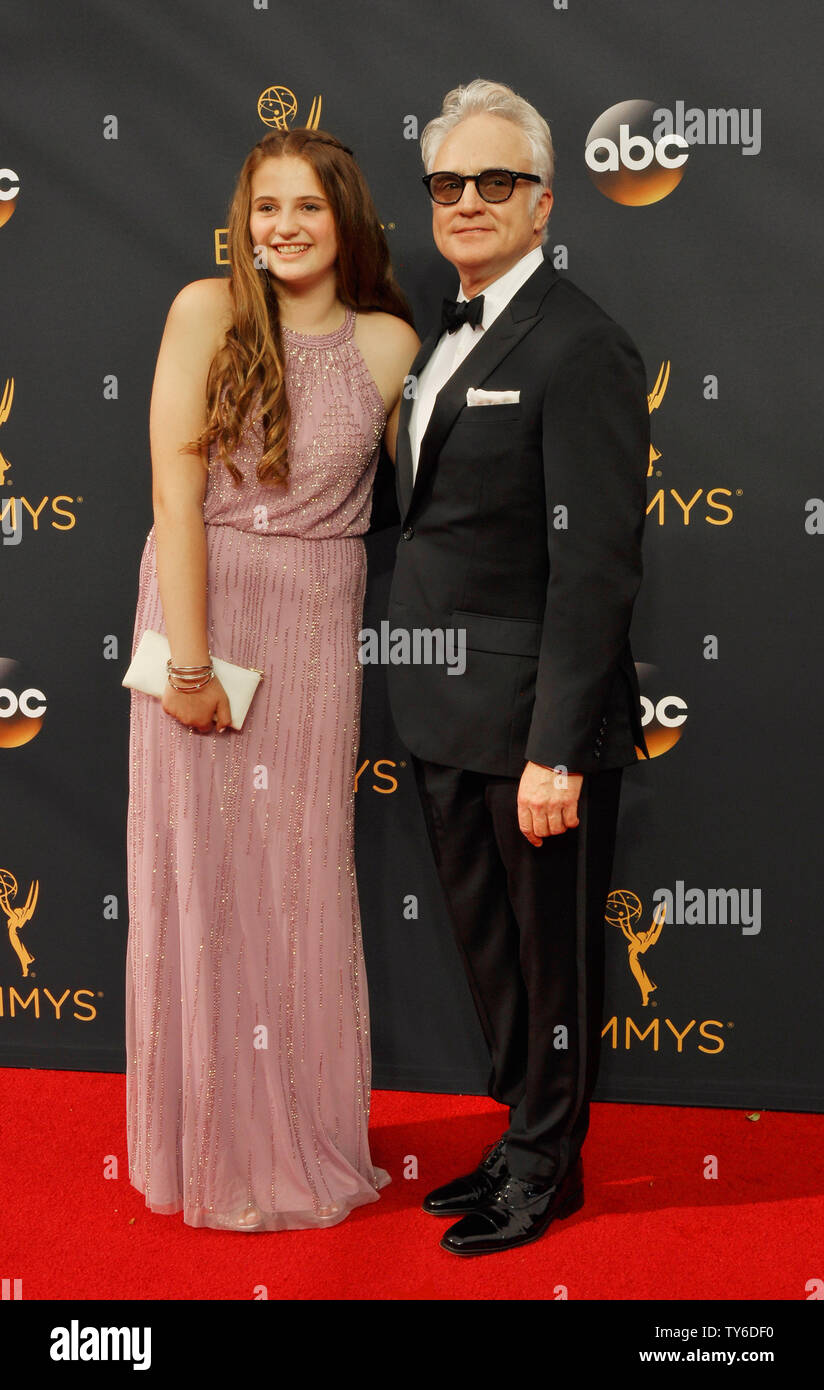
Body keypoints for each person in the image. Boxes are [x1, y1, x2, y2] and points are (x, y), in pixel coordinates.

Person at [125, 127, 419, 1232]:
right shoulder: (206, 310)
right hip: (205, 601)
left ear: (347, 218)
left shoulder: (391, 342)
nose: (282, 227)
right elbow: (173, 488)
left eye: (306, 206)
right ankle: (204, 1142)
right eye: (264, 207)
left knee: (294, 879)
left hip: (313, 619)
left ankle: (294, 1136)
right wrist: (190, 661)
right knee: (199, 882)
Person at [386, 79, 650, 1256]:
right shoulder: (442, 337)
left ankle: (549, 1166)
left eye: (497, 183)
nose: (469, 202)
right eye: (449, 184)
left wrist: (556, 746)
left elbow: (593, 567)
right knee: (487, 945)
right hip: (440, 703)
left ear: (542, 203)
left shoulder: (581, 342)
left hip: (533, 723)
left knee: (548, 956)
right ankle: (516, 1132)